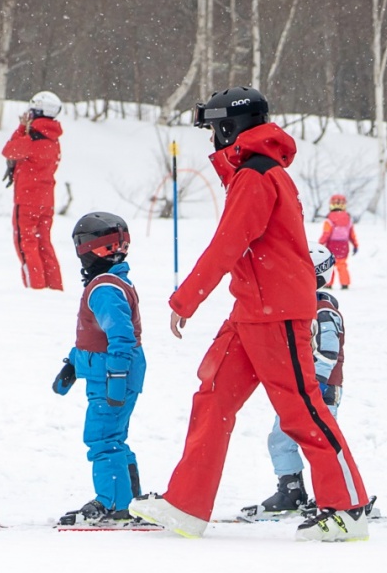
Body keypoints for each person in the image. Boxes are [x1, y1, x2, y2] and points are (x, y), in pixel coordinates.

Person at [129, 86, 370, 543]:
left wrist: (186, 299)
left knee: (302, 411)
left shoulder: (258, 175)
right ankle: (186, 505)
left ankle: (348, 508)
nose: (212, 141)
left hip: (276, 312)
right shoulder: (255, 172)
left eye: (214, 129)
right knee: (214, 396)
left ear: (230, 128)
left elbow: (229, 241)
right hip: (252, 309)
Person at [52, 212, 146, 526]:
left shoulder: (104, 289)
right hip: (107, 371)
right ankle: (129, 498)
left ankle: (114, 505)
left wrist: (116, 378)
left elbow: (120, 338)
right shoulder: (111, 283)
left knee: (103, 439)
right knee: (113, 436)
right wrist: (73, 365)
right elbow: (95, 337)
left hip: (112, 375)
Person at [248, 244, 346, 518]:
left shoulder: (324, 312)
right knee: (281, 439)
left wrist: (317, 384)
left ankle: (338, 494)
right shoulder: (300, 306)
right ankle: (291, 489)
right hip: (296, 389)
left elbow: (328, 351)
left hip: (318, 391)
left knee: (320, 442)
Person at [1, 91, 64, 291]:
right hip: (46, 200)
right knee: (44, 244)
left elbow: (8, 150)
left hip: (27, 199)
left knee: (26, 244)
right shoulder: (53, 139)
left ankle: (35, 288)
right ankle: (54, 287)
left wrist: (21, 128)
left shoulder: (31, 139)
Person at [318, 194, 359, 289]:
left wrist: (320, 244)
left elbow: (326, 233)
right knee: (342, 264)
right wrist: (355, 245)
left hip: (332, 245)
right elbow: (351, 234)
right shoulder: (348, 219)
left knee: (330, 265)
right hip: (344, 245)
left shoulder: (329, 219)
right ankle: (345, 283)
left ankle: (328, 283)